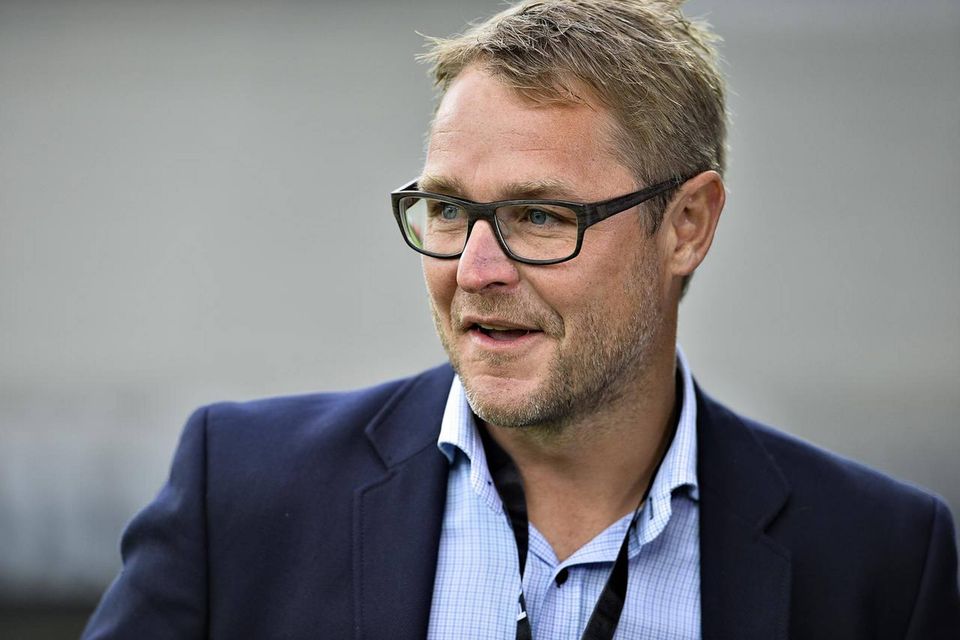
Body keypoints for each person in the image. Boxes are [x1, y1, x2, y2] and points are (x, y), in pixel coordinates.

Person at [82, 1, 960, 638]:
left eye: (540, 216)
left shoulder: (881, 558)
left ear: (687, 225)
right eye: (447, 209)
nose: (474, 270)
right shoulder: (240, 495)